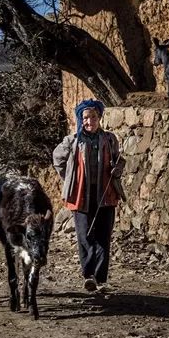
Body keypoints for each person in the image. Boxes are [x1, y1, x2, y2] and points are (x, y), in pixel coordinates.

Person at [52, 99, 126, 292]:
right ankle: (88, 275)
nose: (89, 121)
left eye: (93, 117)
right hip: (81, 196)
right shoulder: (72, 141)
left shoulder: (110, 139)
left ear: (99, 118)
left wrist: (118, 168)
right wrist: (69, 178)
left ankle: (101, 280)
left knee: (103, 237)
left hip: (105, 195)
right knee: (85, 236)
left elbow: (118, 160)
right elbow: (57, 159)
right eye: (85, 118)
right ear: (80, 119)